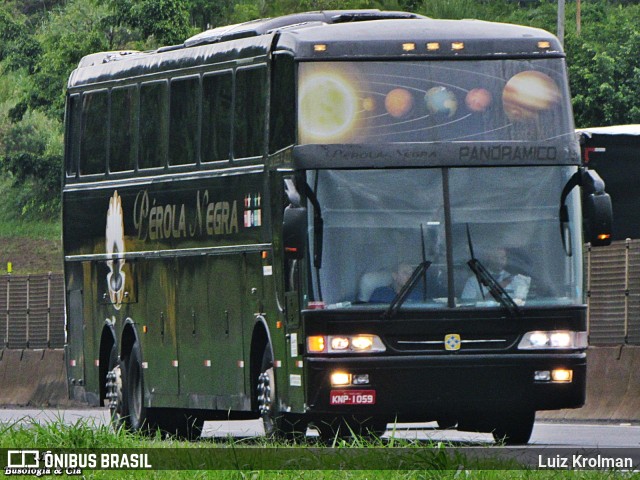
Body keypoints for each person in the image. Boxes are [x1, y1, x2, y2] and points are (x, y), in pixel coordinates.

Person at [461, 247, 530, 303]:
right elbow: (466, 303)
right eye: (495, 258)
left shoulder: (517, 279)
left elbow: (521, 302)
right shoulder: (473, 281)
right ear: (488, 259)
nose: (499, 261)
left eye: (502, 258)